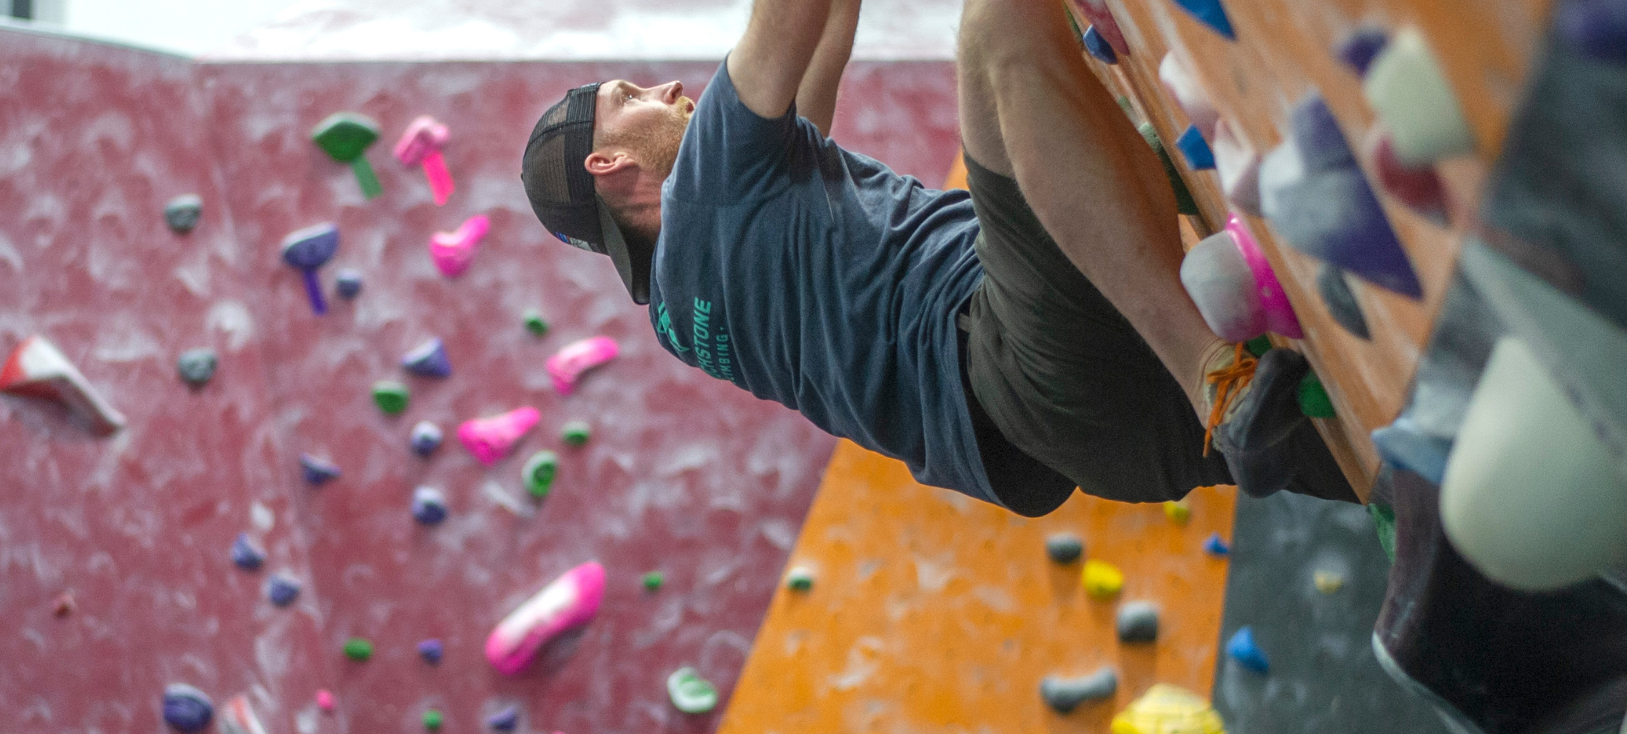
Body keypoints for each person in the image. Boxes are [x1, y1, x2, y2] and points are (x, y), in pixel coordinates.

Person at [520, 0, 1357, 516]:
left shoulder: (689, 299)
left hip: (1082, 432)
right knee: (1000, 24)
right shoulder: (702, 187)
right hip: (1019, 355)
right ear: (610, 166)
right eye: (628, 100)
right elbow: (790, 15)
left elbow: (825, 31)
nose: (663, 90)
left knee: (1363, 437)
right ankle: (1214, 370)